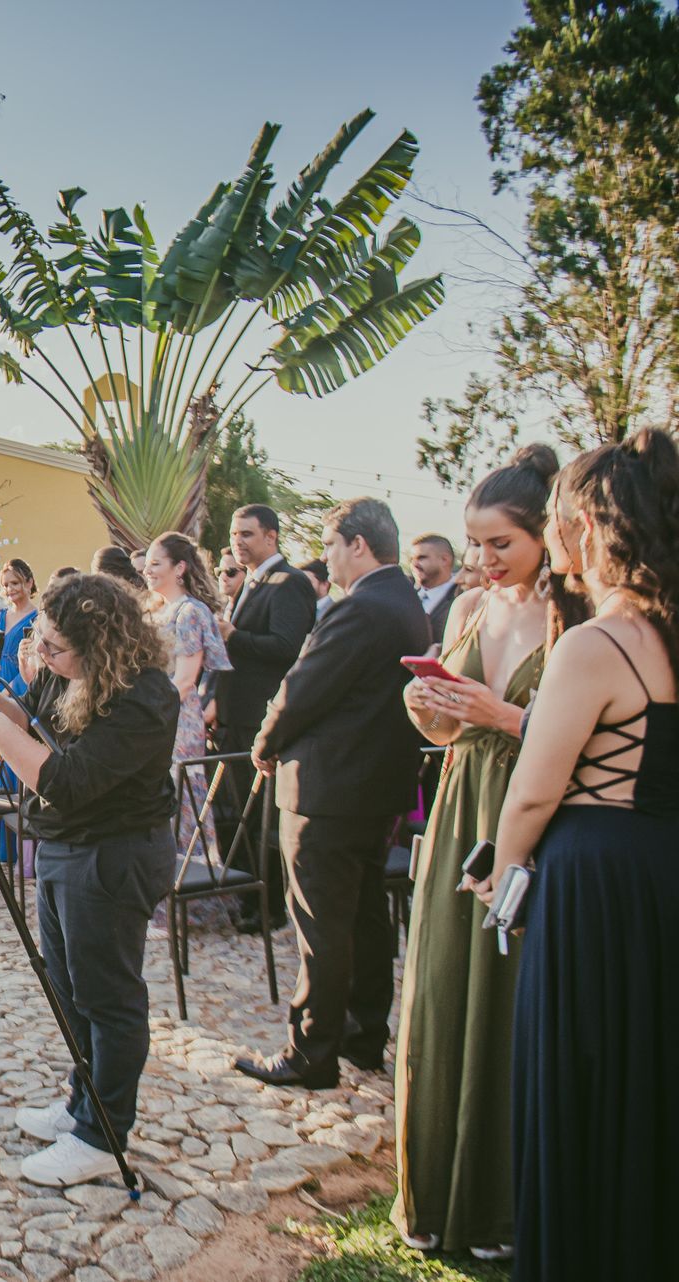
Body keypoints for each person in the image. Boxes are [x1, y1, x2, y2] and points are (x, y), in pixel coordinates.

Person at [472, 429, 679, 1282]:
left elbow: (532, 790)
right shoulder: (668, 634)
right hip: (660, 871)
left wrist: (501, 879)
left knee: (579, 1077)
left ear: (587, 527)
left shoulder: (599, 643)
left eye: (556, 517)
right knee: (648, 1077)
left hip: (591, 879)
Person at [0, 572, 179, 1185]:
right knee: (69, 988)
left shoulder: (145, 696)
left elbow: (66, 781)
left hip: (114, 854)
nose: (44, 655)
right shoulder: (65, 669)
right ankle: (84, 1101)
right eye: (40, 642)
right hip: (63, 845)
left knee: (108, 996)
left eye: (54, 647)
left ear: (99, 646)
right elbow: (33, 721)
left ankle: (104, 1135)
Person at [391, 446, 557, 1258]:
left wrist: (503, 715)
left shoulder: (576, 615)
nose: (485, 560)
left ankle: (503, 1207)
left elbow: (590, 736)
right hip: (462, 807)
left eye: (502, 544)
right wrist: (431, 705)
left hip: (536, 810)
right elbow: (444, 730)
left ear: (546, 536)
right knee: (445, 986)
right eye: (476, 543)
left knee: (514, 996)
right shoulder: (464, 609)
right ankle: (435, 1195)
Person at [235, 498, 428, 1089]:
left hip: (329, 788)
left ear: (358, 545)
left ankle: (310, 1052)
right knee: (364, 916)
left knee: (320, 925)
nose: (327, 558)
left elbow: (303, 687)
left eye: (330, 546)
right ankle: (362, 1036)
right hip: (376, 786)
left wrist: (265, 741)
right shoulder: (405, 602)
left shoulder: (359, 607)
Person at [215, 505, 316, 931]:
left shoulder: (289, 582)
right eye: (234, 534)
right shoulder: (251, 582)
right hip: (234, 717)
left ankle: (269, 906)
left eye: (247, 534)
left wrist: (234, 636)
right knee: (239, 814)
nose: (238, 542)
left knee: (260, 818)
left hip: (261, 716)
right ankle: (246, 897)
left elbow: (287, 648)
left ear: (271, 536)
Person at [143, 533, 231, 857]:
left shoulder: (190, 612)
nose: (147, 571)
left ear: (179, 568)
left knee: (180, 797)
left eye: (156, 563)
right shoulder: (156, 611)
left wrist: (147, 713)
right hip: (154, 715)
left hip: (175, 720)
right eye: (147, 564)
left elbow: (184, 679)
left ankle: (189, 871)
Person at [0, 560, 40, 861]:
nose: (10, 589)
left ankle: (15, 845)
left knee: (13, 760)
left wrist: (6, 691)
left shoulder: (37, 618)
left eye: (15, 583)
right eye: (5, 585)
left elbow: (34, 663)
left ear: (28, 582)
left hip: (19, 689)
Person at [410, 532, 461, 644]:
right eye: (411, 559)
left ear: (444, 560)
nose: (414, 564)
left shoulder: (461, 596)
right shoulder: (407, 594)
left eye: (421, 558)